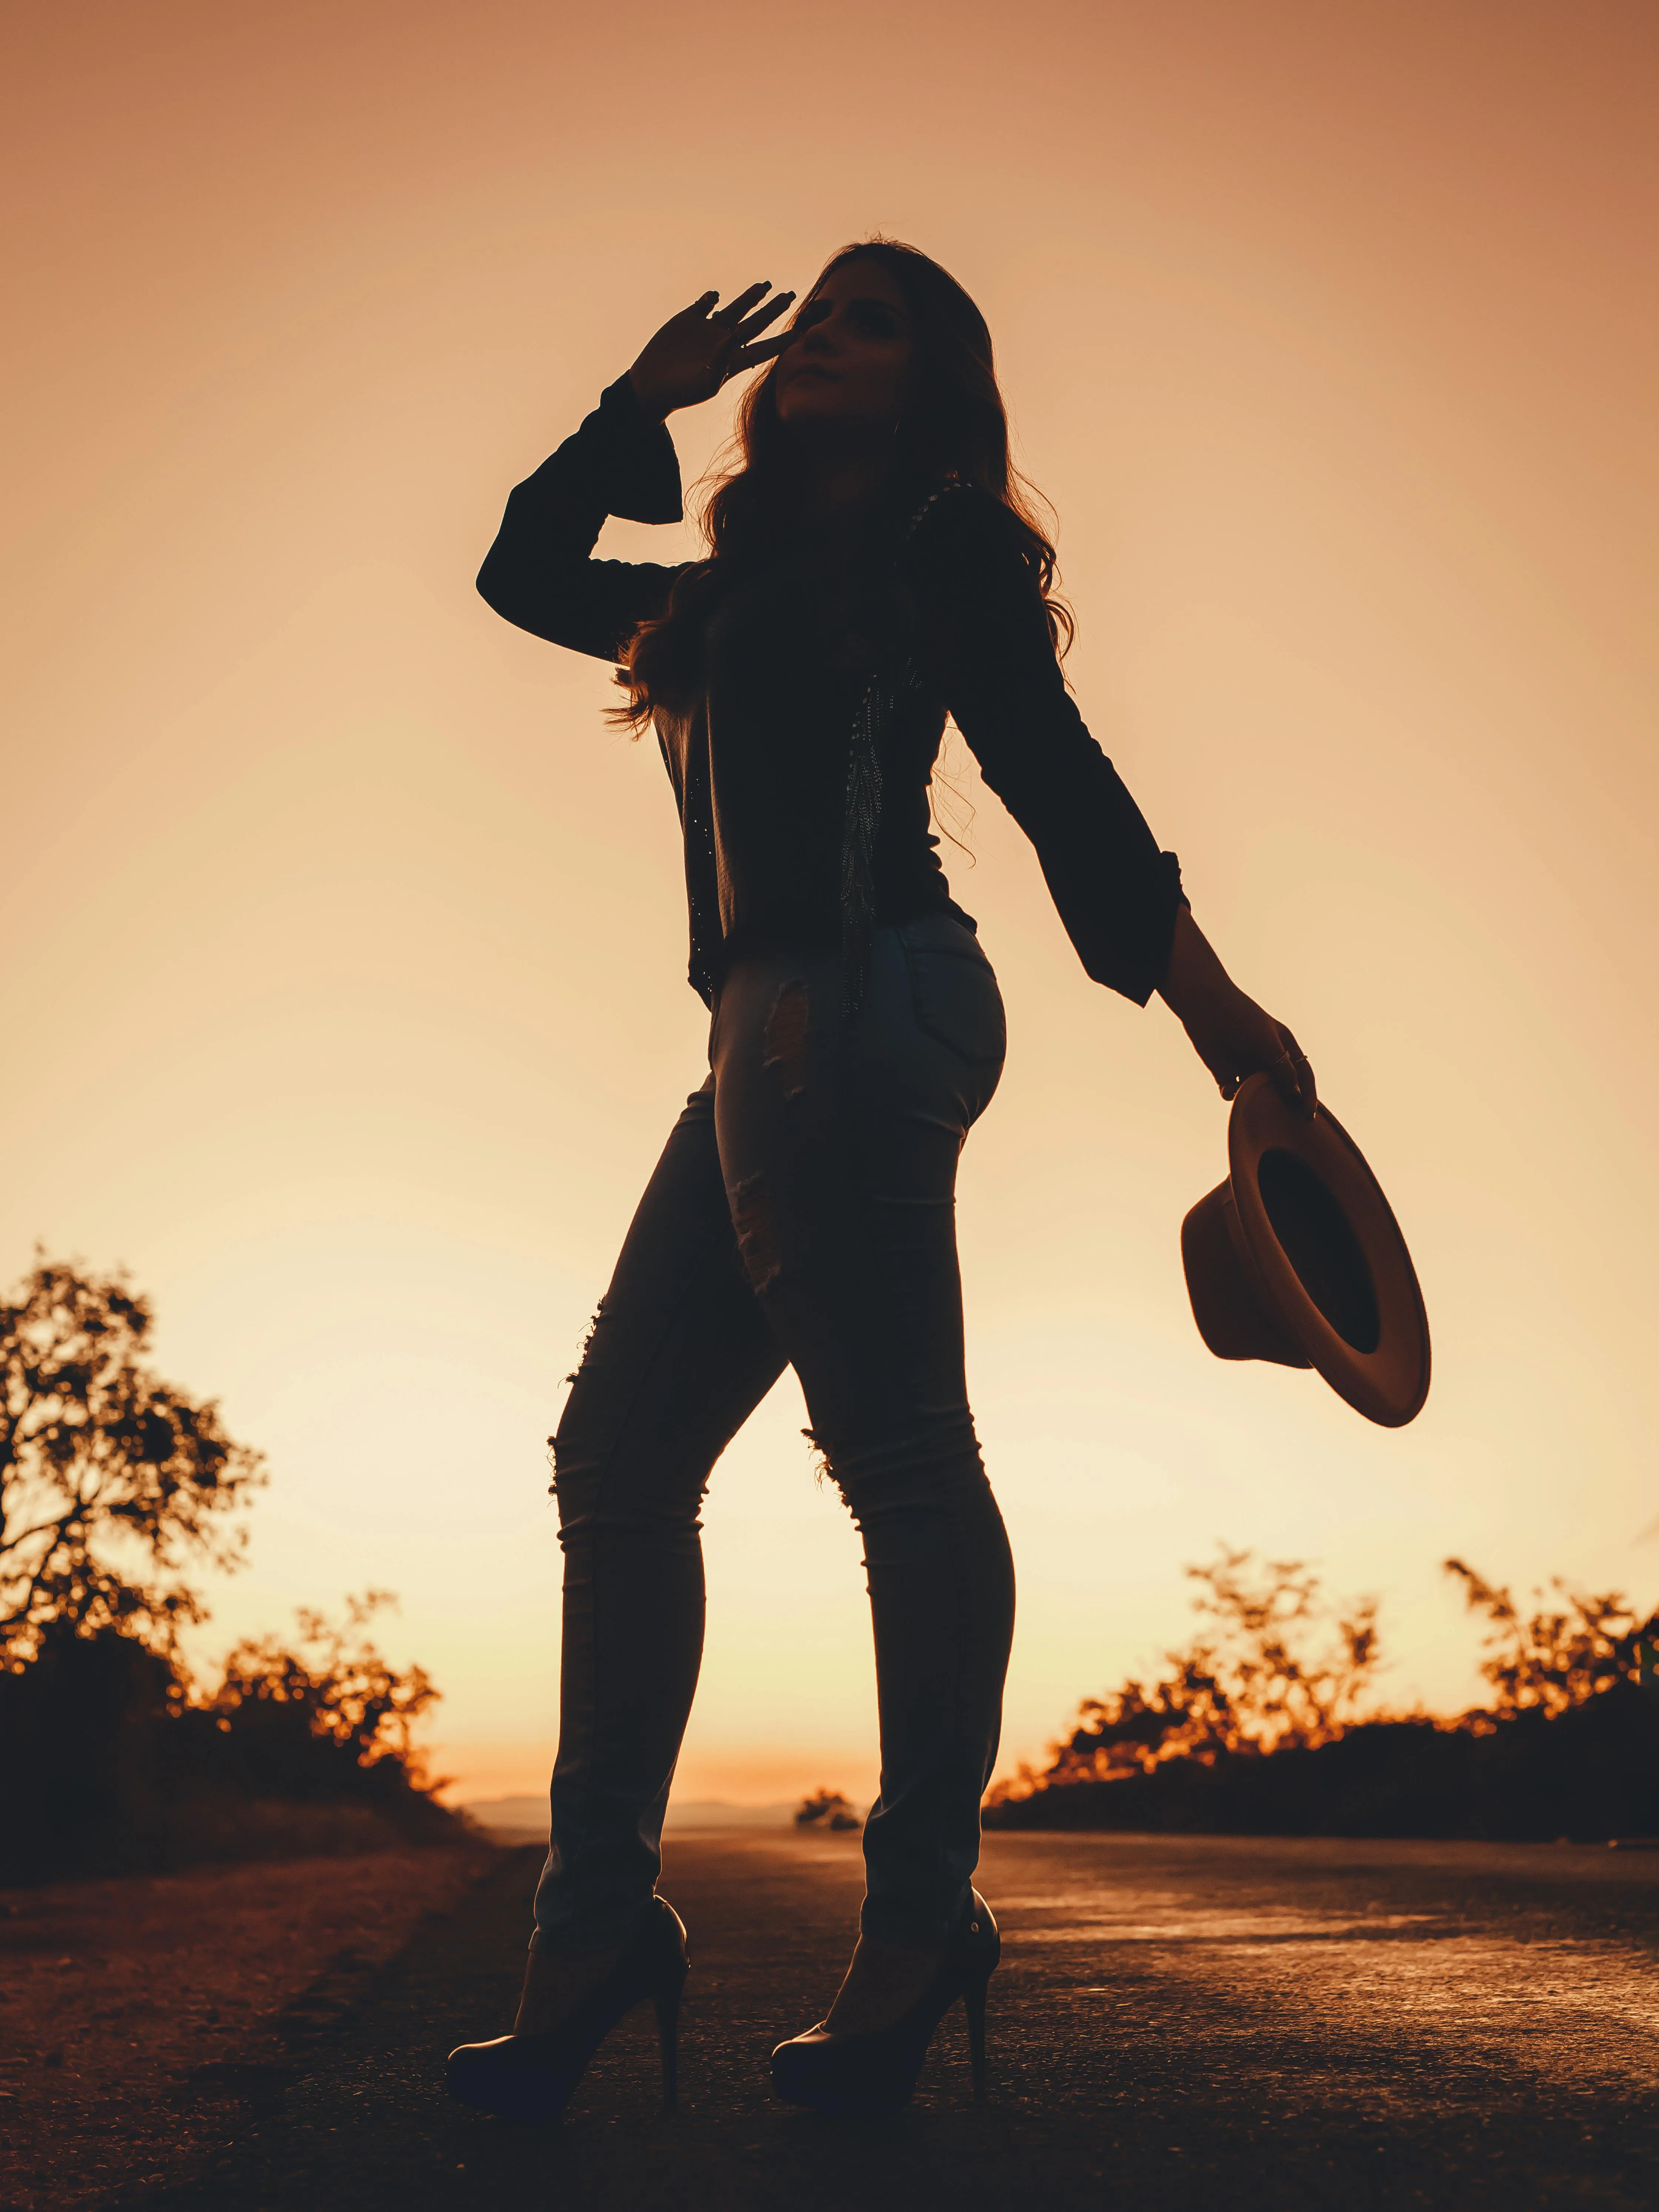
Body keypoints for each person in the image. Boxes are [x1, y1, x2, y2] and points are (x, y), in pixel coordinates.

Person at [446, 240, 1315, 2123]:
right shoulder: (711, 595)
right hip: (758, 1031)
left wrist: (1214, 1006)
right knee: (618, 1459)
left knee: (900, 1458)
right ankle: (595, 1932)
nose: (826, 335)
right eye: (819, 315)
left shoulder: (940, 549)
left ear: (935, 388)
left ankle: (920, 1917)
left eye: (873, 318)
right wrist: (631, 403)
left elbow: (1055, 774)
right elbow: (517, 572)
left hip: (862, 994)